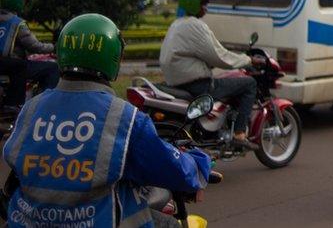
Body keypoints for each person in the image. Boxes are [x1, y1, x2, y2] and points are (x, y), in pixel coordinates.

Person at [2, 13, 211, 228]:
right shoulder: (123, 117)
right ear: (113, 58)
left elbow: (13, 160)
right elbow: (172, 168)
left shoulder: (31, 108)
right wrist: (199, 163)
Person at [160, 0, 263, 150]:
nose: (206, 8)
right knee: (249, 83)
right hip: (197, 86)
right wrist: (248, 60)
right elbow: (220, 56)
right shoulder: (195, 26)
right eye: (204, 4)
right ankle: (239, 134)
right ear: (195, 5)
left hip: (176, 82)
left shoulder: (177, 24)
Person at [0, 0, 59, 110]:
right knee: (52, 68)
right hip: (11, 66)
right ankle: (44, 106)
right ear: (17, 3)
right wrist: (54, 47)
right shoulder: (17, 23)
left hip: (5, 65)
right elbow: (36, 47)